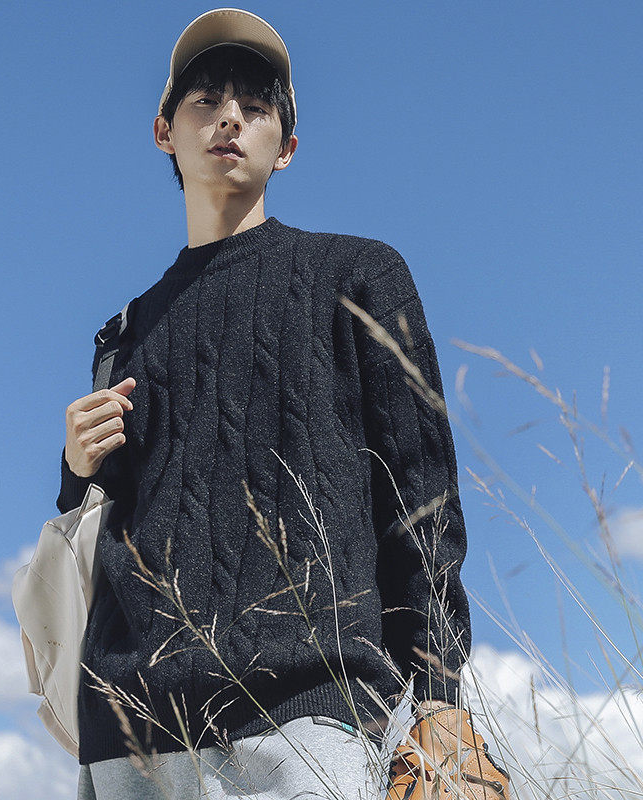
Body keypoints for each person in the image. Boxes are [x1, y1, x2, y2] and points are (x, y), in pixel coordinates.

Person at [58, 8, 474, 799]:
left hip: (308, 719)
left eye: (255, 106)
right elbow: (107, 538)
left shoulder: (360, 275)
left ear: (286, 147)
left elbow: (423, 501)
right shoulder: (125, 332)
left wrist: (441, 693)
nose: (230, 117)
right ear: (163, 131)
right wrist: (75, 469)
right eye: (206, 100)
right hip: (130, 740)